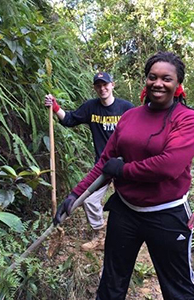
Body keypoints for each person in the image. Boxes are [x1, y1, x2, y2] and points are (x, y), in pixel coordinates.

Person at [54, 51, 194, 299]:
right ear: (145, 80)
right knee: (111, 283)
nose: (158, 83)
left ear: (178, 84)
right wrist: (74, 195)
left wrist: (122, 170)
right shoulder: (130, 116)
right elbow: (104, 161)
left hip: (167, 215)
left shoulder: (188, 119)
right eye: (152, 77)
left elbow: (168, 166)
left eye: (166, 78)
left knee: (178, 289)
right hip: (125, 212)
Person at [45, 72, 134, 251]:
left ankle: (133, 236)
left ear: (112, 85)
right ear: (95, 88)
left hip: (125, 164)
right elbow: (69, 119)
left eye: (105, 84)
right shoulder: (91, 107)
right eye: (98, 86)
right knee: (90, 199)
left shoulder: (126, 108)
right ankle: (100, 235)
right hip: (102, 166)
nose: (102, 88)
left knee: (128, 201)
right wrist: (55, 107)